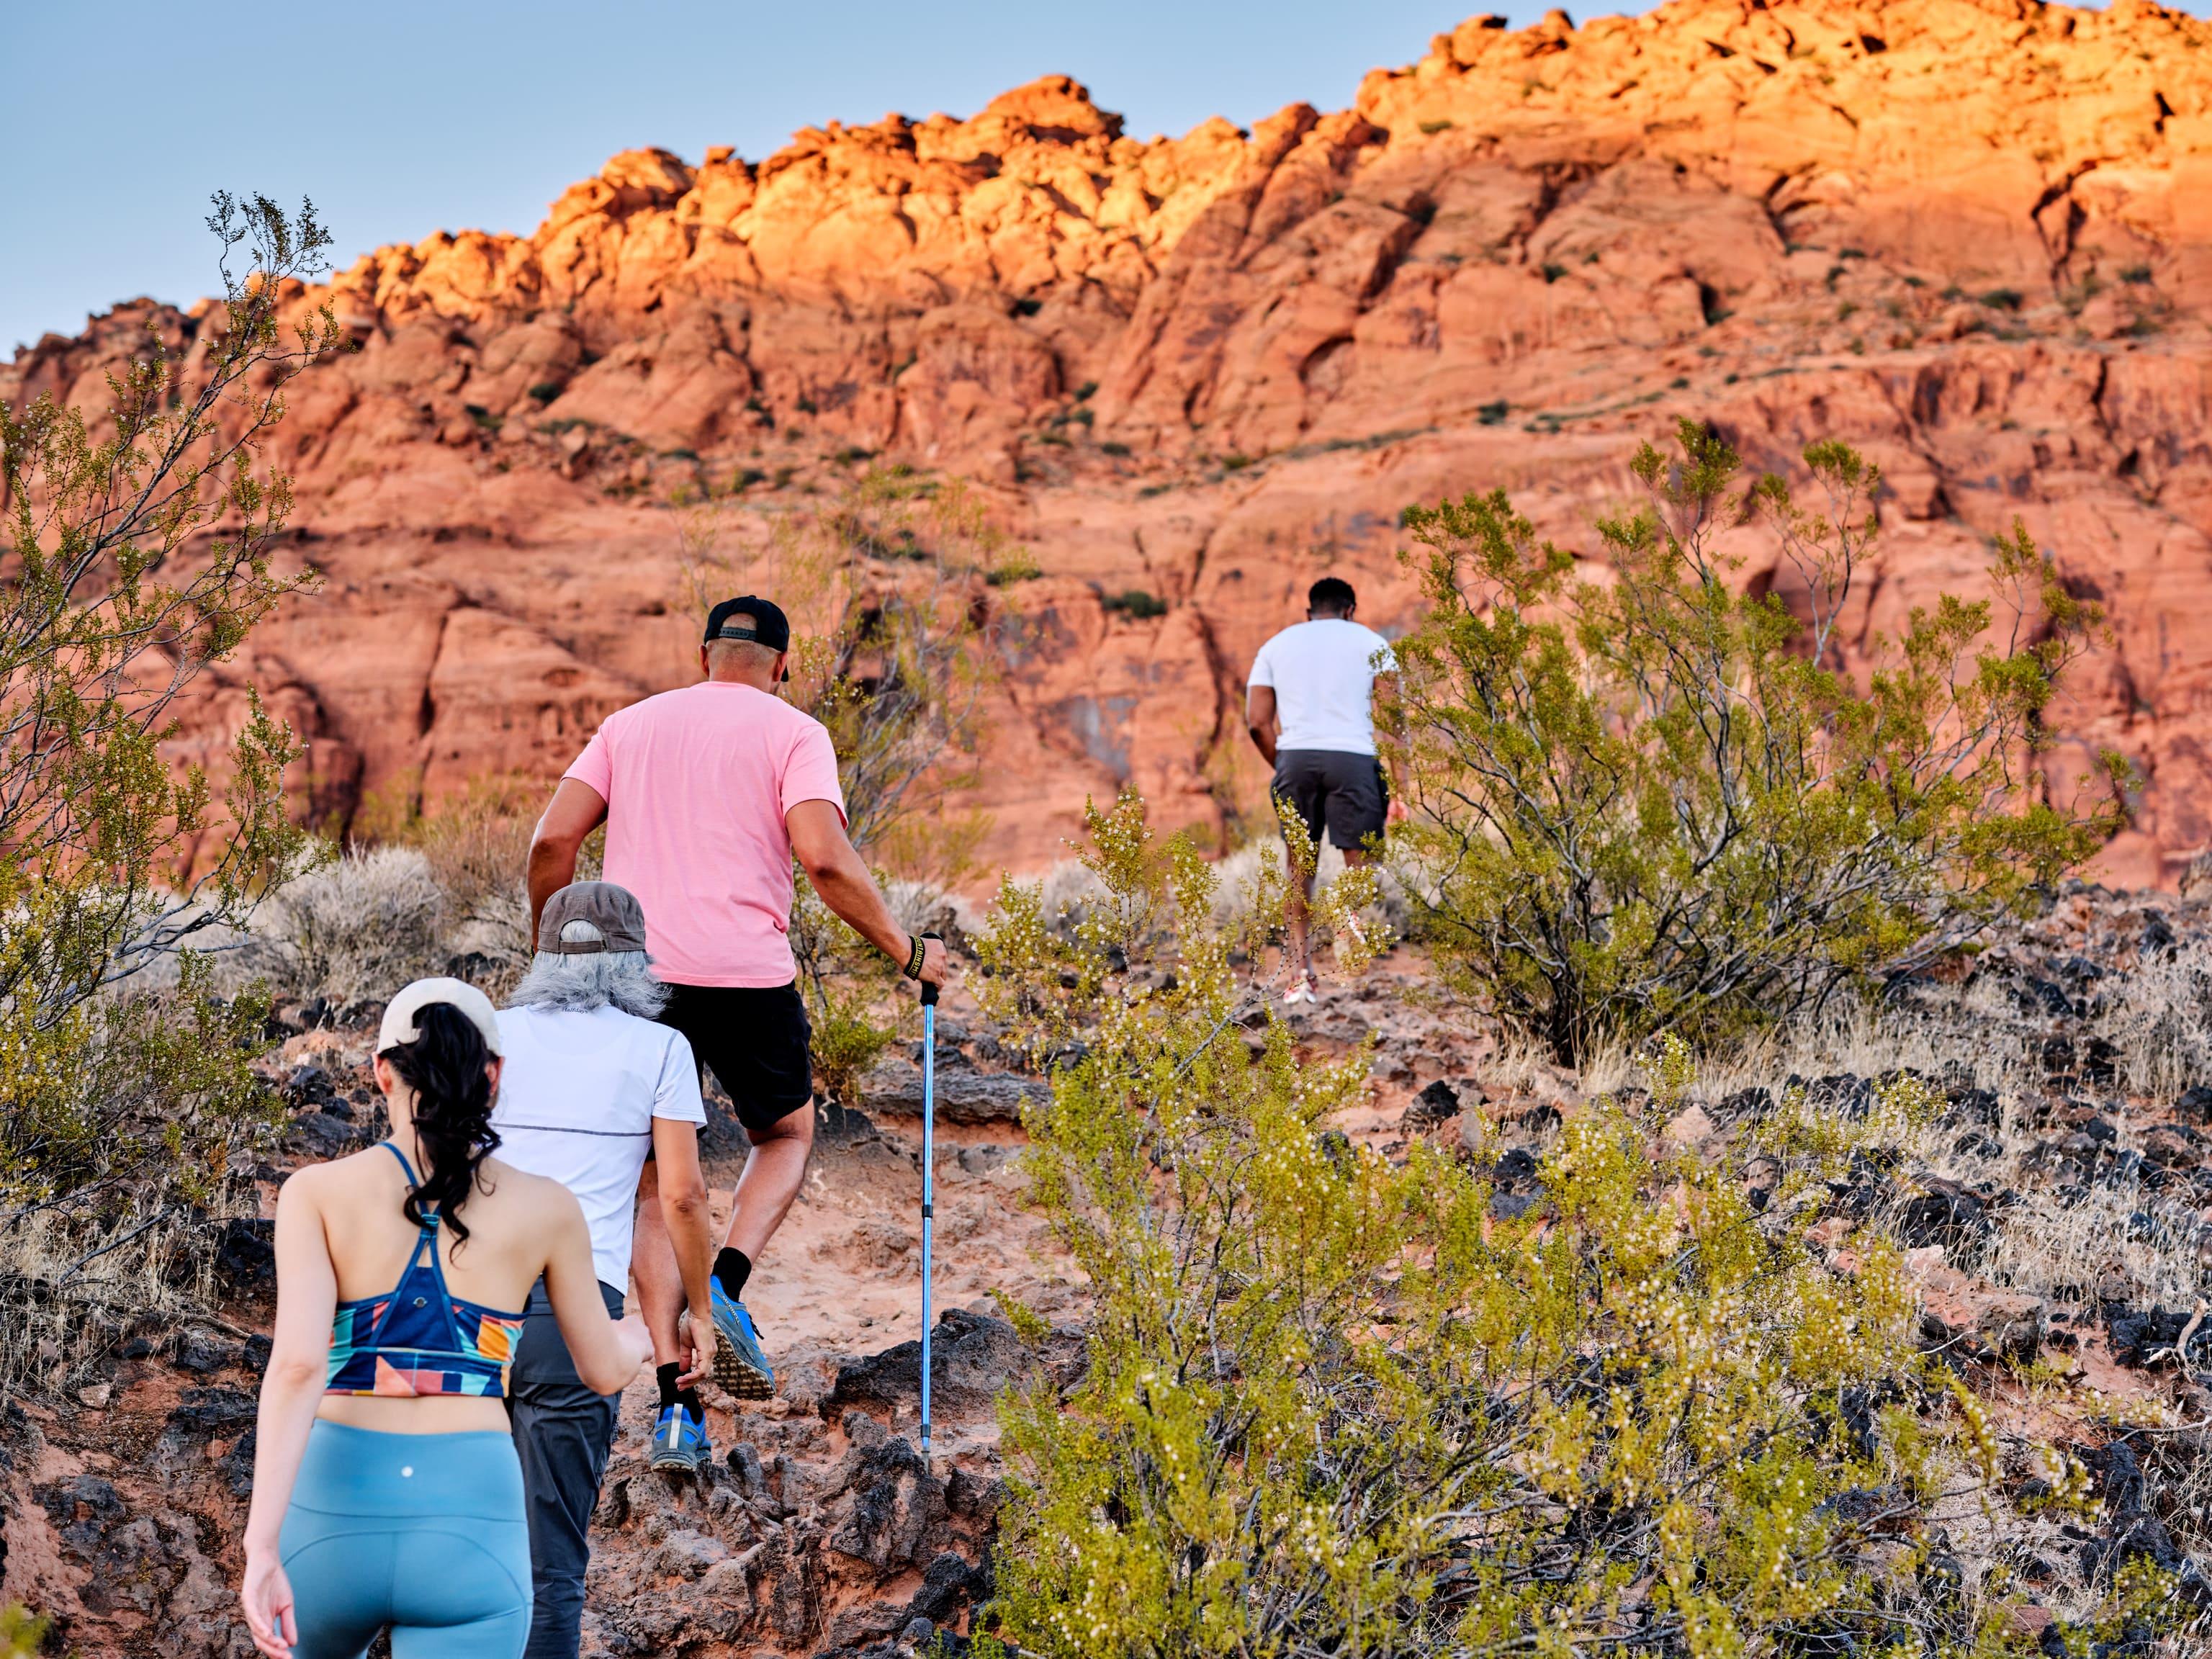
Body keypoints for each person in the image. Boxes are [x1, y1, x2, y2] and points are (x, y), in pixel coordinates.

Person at [526, 594, 950, 1417]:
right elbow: (823, 860)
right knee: (786, 1135)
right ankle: (723, 1284)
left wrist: (553, 949)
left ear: (702, 656)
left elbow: (552, 842)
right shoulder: (795, 733)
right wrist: (907, 953)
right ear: (783, 667)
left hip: (634, 976)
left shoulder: (629, 725)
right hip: (748, 977)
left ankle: (673, 1402)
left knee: (653, 1175)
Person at [239, 978, 652, 1659]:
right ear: (494, 1077)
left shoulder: (314, 1194)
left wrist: (261, 1548)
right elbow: (603, 1369)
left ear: (382, 1072)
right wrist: (643, 1335)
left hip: (331, 1519)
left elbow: (299, 1369)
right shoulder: (548, 1208)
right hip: (472, 1524)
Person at [493, 881, 716, 1659]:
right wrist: (704, 1316)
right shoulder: (660, 1049)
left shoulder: (490, 1032)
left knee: (459, 1541)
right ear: (635, 963)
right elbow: (682, 1197)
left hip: (464, 1306)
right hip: (574, 1321)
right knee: (551, 1565)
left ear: (544, 955)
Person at [1245, 576, 1408, 1004]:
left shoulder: (1275, 646)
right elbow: (1393, 723)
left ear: (1309, 612)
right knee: (1362, 862)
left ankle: (1301, 976)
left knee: (1299, 871)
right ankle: (1345, 939)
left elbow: (1256, 722)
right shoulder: (1373, 643)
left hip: (1296, 758)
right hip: (1353, 760)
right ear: (1351, 610)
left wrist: (1283, 763)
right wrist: (1404, 791)